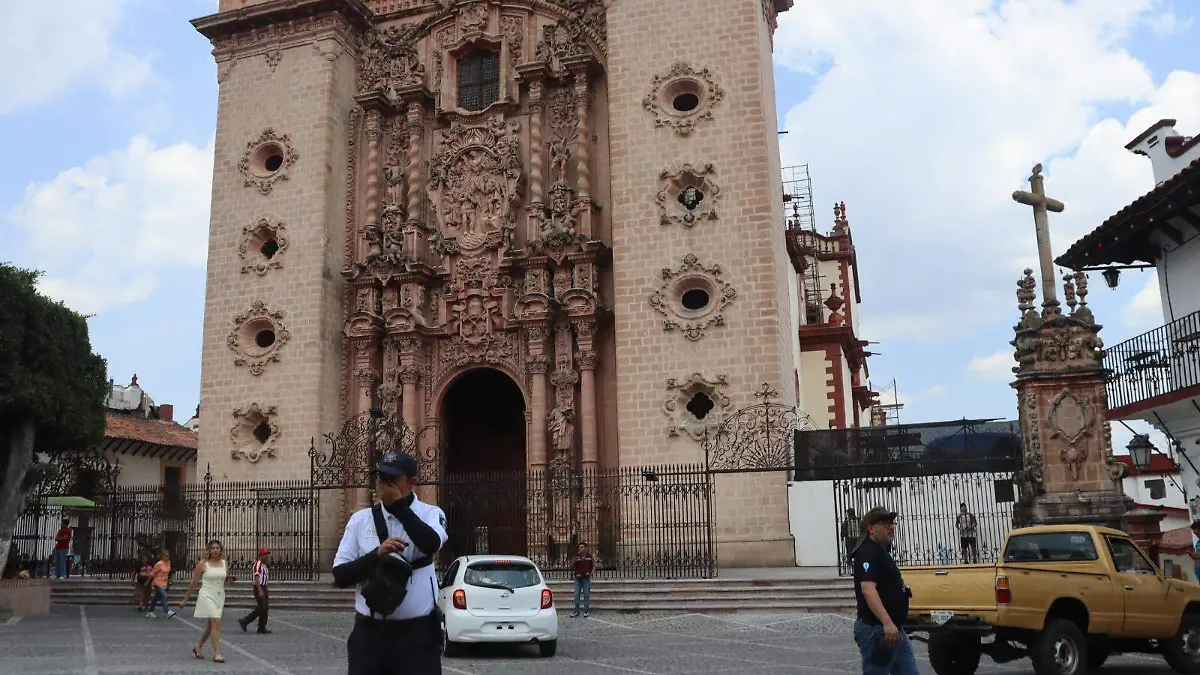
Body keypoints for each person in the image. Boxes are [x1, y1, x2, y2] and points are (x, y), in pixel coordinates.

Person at [332, 451, 448, 675]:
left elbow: (431, 543)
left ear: (412, 483)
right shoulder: (360, 520)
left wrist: (399, 508)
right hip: (370, 635)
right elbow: (340, 576)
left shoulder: (430, 514)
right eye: (381, 478)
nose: (384, 485)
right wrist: (376, 555)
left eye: (392, 479)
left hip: (417, 637)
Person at [851, 507, 918, 675]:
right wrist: (887, 622)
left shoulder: (880, 551)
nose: (891, 527)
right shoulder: (867, 552)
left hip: (894, 629)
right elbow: (868, 589)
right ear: (871, 529)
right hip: (878, 629)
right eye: (885, 524)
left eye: (892, 523)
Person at [179, 540, 237, 663]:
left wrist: (229, 579)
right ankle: (217, 653)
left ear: (221, 550)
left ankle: (198, 646)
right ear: (209, 551)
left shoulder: (224, 563)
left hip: (219, 595)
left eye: (217, 548)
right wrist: (185, 599)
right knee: (216, 621)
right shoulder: (203, 564)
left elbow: (221, 577)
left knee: (211, 625)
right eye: (212, 548)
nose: (215, 550)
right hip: (206, 594)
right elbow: (194, 582)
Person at [239, 547, 271, 634]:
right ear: (261, 555)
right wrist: (260, 590)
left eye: (267, 554)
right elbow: (256, 578)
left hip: (264, 587)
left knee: (265, 608)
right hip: (259, 587)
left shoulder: (264, 565)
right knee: (261, 607)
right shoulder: (258, 564)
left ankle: (262, 626)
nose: (267, 556)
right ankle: (245, 621)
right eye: (265, 554)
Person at [147, 549, 177, 619]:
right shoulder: (159, 564)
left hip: (164, 583)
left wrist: (169, 580)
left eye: (168, 555)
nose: (168, 557)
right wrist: (148, 582)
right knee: (164, 596)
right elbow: (153, 573)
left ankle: (150, 612)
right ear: (162, 556)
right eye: (166, 556)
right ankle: (167, 612)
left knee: (156, 598)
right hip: (157, 582)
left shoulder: (168, 562)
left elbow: (168, 572)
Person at [570, 542, 594, 618]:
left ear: (586, 548)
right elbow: (571, 567)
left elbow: (594, 566)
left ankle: (586, 611)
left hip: (586, 578)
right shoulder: (576, 556)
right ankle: (576, 612)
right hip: (577, 578)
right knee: (576, 595)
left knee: (586, 595)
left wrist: (591, 573)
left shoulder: (590, 556)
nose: (580, 548)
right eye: (579, 547)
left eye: (582, 547)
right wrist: (574, 560)